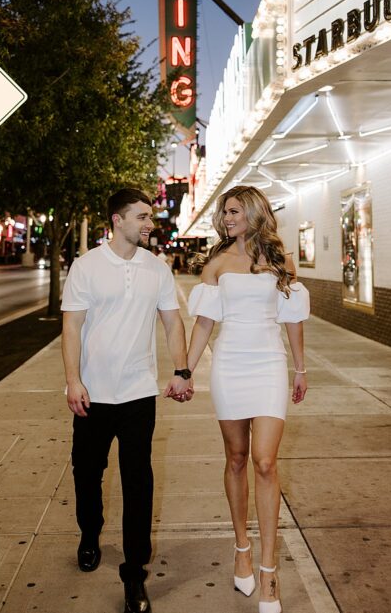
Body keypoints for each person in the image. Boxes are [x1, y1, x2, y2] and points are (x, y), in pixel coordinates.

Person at [61, 188, 191, 613]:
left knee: (138, 481)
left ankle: (134, 572)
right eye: (141, 217)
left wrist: (181, 369)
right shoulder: (86, 266)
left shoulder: (157, 269)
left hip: (138, 394)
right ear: (117, 220)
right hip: (93, 394)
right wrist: (72, 381)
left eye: (150, 216)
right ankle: (89, 533)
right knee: (87, 473)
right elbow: (72, 328)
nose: (149, 224)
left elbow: (173, 323)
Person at [184, 186, 309, 613]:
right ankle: (242, 547)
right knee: (236, 457)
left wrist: (300, 367)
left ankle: (270, 572)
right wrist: (185, 369)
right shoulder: (217, 263)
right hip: (230, 364)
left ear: (253, 213)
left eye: (233, 210)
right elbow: (204, 324)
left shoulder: (280, 261)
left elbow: (292, 319)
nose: (225, 217)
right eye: (224, 211)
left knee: (265, 462)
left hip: (269, 364)